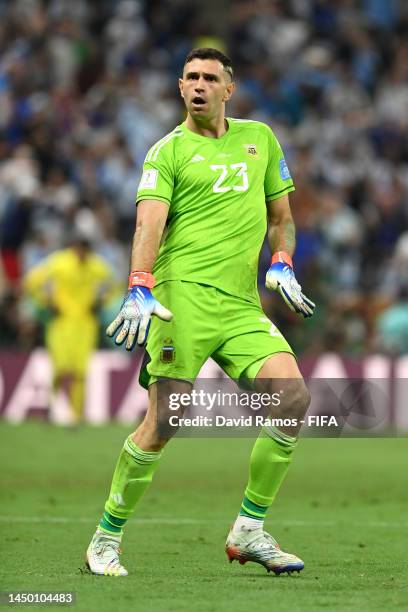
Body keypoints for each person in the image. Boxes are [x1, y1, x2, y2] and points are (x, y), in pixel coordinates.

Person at [86, 48, 315, 577]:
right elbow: (149, 225)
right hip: (180, 297)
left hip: (239, 303)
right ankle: (106, 537)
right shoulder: (166, 152)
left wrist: (282, 260)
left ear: (228, 89)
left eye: (210, 77)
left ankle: (250, 529)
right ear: (180, 87)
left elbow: (282, 217)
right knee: (166, 418)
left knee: (294, 397)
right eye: (190, 76)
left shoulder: (260, 138)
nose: (199, 85)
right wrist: (140, 283)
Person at [24, 234, 117, 424]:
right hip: (61, 324)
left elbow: (114, 285)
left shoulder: (96, 265)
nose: (82, 255)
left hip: (85, 325)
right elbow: (32, 281)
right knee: (60, 368)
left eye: (85, 252)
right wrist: (47, 302)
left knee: (80, 371)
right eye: (79, 251)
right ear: (73, 248)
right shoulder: (59, 262)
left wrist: (101, 302)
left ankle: (76, 416)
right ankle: (50, 406)